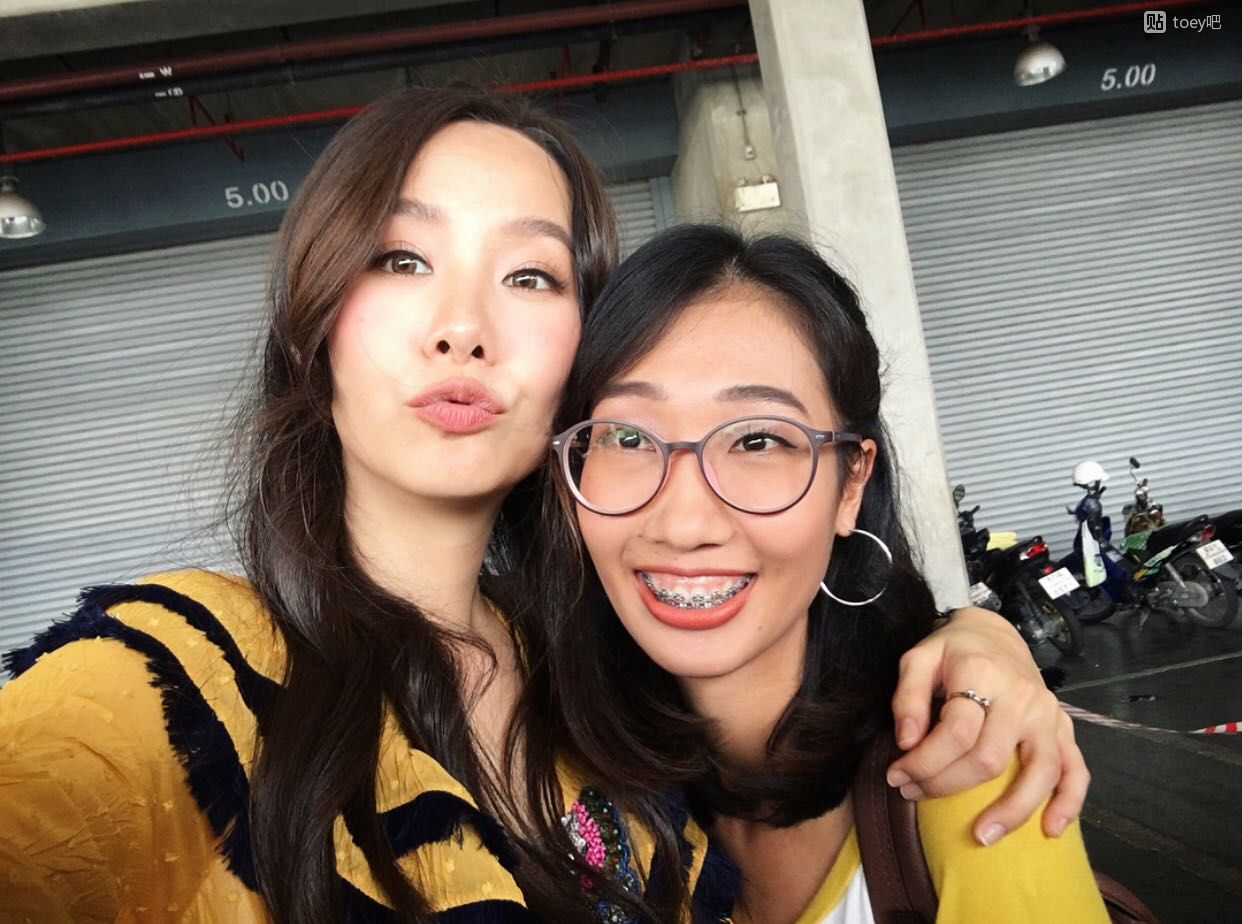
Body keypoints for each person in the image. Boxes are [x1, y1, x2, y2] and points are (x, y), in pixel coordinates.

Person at [0, 88, 1083, 923]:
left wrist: (976, 640)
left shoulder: (599, 685)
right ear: (315, 319)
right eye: (401, 258)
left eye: (530, 277)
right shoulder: (184, 678)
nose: (463, 328)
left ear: (583, 366)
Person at [550, 224, 1108, 922]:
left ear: (851, 485)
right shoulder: (568, 776)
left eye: (758, 440)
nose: (684, 523)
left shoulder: (967, 774)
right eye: (629, 437)